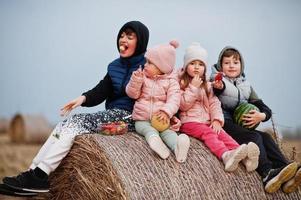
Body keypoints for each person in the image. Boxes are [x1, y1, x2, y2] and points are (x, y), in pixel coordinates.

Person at [2, 21, 149, 193]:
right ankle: (31, 173)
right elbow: (101, 90)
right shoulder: (114, 66)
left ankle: (40, 175)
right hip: (112, 115)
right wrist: (82, 98)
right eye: (121, 36)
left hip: (128, 119)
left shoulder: (149, 67)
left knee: (77, 123)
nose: (123, 40)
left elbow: (161, 92)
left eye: (129, 37)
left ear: (141, 42)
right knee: (64, 123)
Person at [211, 46, 299, 193]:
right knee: (254, 136)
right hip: (223, 123)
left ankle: (286, 170)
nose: (231, 65)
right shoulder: (218, 81)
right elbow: (215, 89)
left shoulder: (246, 86)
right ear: (221, 66)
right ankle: (266, 173)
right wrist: (217, 86)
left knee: (265, 136)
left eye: (235, 62)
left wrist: (261, 116)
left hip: (240, 125)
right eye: (227, 63)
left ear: (241, 65)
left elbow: (265, 108)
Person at [178, 43, 260, 172]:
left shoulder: (207, 85)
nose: (196, 67)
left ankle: (243, 157)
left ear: (204, 68)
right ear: (186, 66)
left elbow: (214, 103)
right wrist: (193, 88)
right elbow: (182, 105)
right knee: (209, 133)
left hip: (206, 121)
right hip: (189, 122)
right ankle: (225, 155)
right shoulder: (181, 83)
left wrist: (216, 120)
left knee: (222, 133)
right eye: (192, 63)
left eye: (200, 64)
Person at [126, 40, 190, 163]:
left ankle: (177, 147)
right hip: (142, 118)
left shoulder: (171, 82)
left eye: (150, 63)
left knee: (168, 132)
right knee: (148, 130)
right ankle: (155, 142)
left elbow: (174, 100)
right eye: (146, 61)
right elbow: (132, 94)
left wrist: (166, 112)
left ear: (162, 67)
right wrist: (136, 80)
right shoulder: (143, 78)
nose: (145, 65)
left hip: (161, 118)